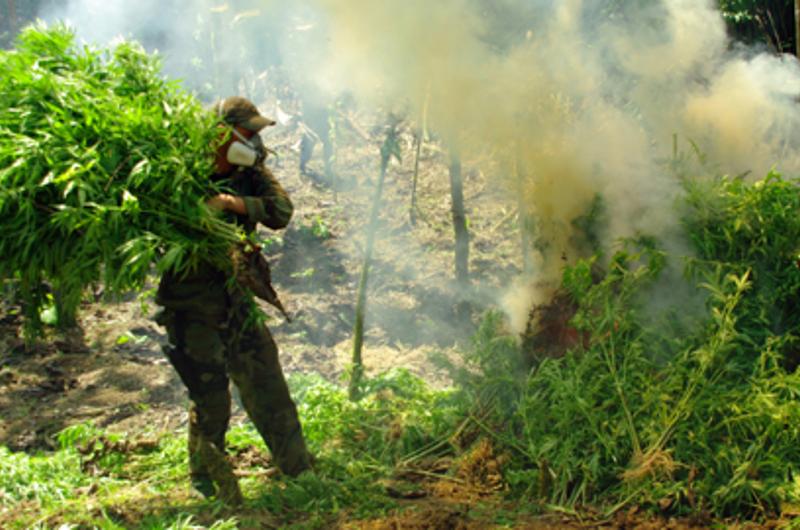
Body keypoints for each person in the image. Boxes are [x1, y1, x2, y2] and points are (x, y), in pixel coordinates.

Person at [155, 96, 312, 504]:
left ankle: (298, 470)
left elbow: (281, 211)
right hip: (191, 301)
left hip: (236, 295)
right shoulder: (183, 171)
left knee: (266, 379)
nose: (256, 142)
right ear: (223, 133)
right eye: (250, 133)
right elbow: (158, 220)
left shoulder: (251, 174)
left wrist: (232, 204)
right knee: (209, 396)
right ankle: (207, 482)